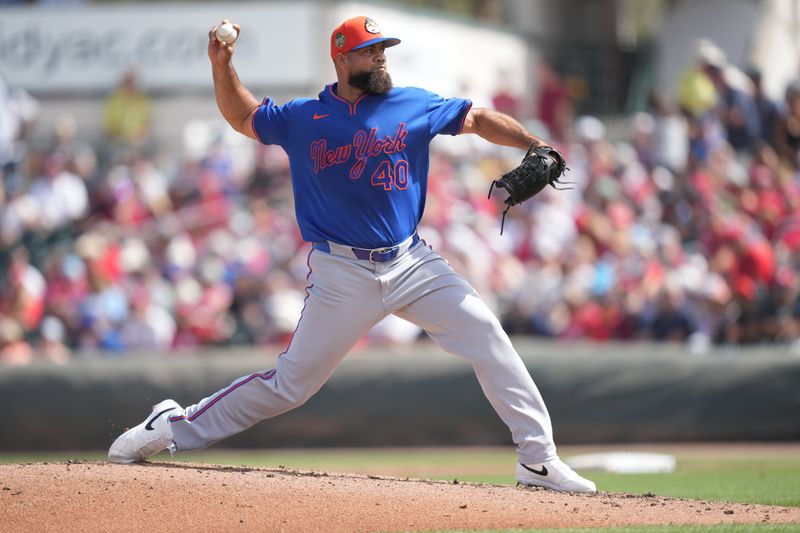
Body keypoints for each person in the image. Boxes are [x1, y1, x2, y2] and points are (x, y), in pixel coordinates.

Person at [108, 15, 596, 493]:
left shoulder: (413, 103)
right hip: (342, 270)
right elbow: (242, 116)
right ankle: (172, 426)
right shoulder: (304, 117)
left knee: (487, 333)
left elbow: (477, 118)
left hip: (412, 262)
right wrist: (223, 66)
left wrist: (533, 143)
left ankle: (538, 460)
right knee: (290, 386)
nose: (381, 56)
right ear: (341, 57)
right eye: (370, 49)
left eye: (384, 48)